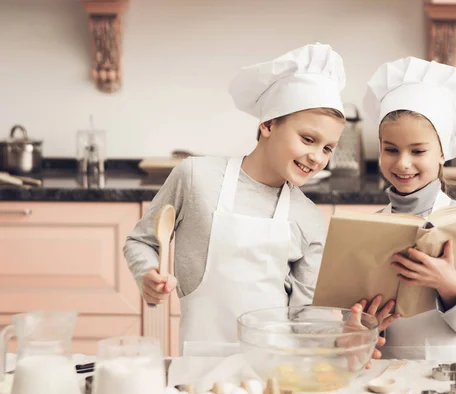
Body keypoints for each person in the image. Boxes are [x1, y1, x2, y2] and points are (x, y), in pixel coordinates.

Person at [123, 43, 348, 353]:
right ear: (268, 124)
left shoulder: (307, 217)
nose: (316, 157)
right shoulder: (196, 178)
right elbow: (141, 241)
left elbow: (307, 317)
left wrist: (344, 336)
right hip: (199, 366)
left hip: (273, 373)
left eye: (327, 148)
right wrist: (147, 276)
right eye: (308, 139)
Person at [357, 56, 456, 361]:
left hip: (453, 372)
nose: (402, 162)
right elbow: (365, 325)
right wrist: (366, 324)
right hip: (389, 375)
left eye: (418, 151)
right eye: (390, 149)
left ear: (443, 152)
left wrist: (447, 283)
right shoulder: (369, 229)